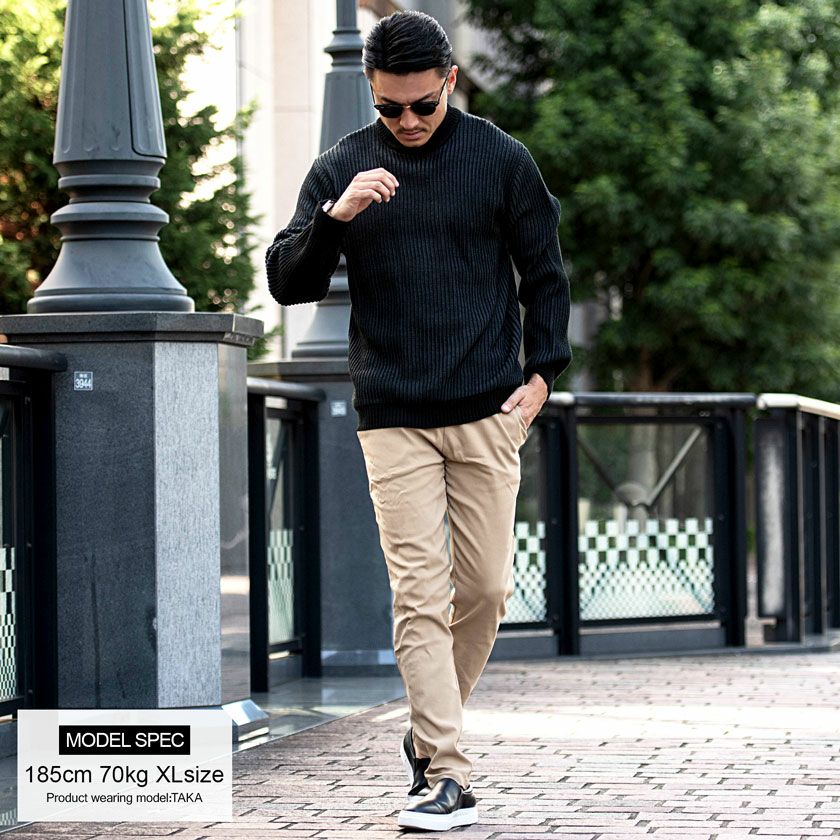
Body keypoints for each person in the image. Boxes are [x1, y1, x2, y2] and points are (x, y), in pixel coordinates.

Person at [265, 9, 571, 833]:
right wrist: (336, 218)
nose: (405, 121)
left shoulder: (500, 159)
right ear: (372, 91)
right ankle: (446, 771)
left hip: (487, 409)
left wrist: (543, 375)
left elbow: (545, 274)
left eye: (422, 106)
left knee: (486, 591)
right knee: (419, 593)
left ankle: (427, 729)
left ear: (450, 83)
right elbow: (287, 282)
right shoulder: (343, 165)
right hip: (392, 413)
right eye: (389, 107)